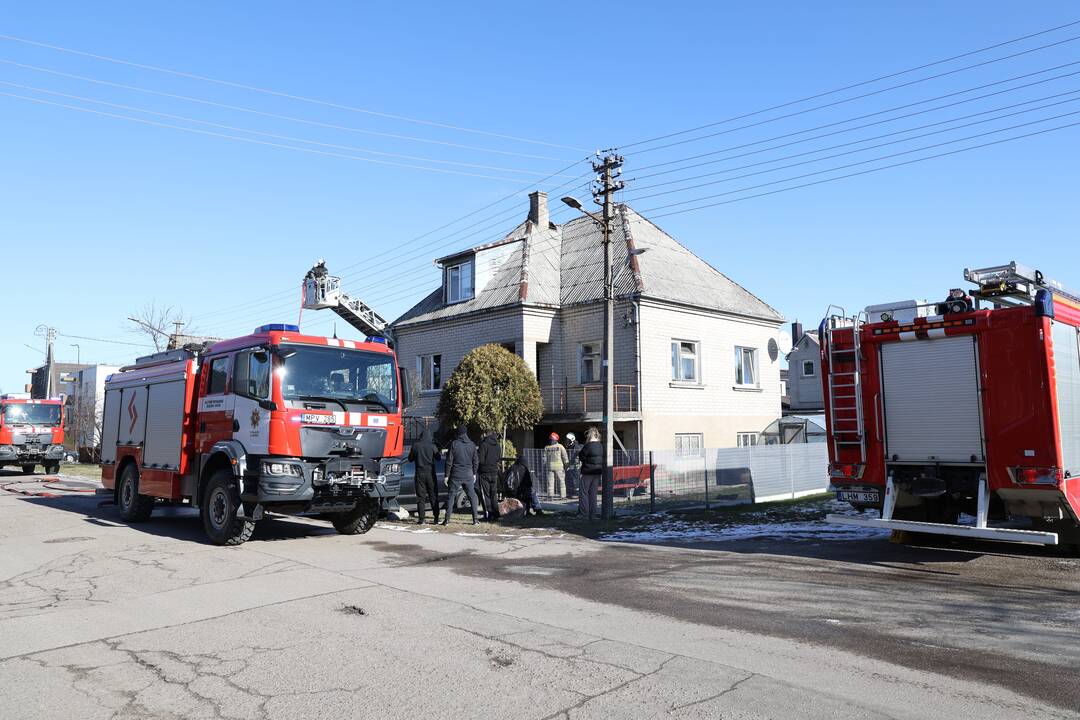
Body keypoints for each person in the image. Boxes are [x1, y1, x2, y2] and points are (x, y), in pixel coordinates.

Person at [442, 425, 479, 526]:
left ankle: (447, 520)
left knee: (451, 496)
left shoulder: (454, 444)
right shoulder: (472, 445)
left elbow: (449, 461)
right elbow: (476, 461)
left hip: (456, 474)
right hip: (468, 474)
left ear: (458, 433)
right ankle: (475, 519)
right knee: (472, 497)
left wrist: (446, 475)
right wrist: (474, 473)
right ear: (466, 433)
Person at [406, 427, 439, 524]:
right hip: (430, 473)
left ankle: (422, 519)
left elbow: (410, 459)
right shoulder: (432, 446)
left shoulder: (416, 446)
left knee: (421, 497)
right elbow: (438, 458)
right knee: (433, 495)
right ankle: (436, 518)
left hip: (419, 473)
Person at [577, 426, 603, 521]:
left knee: (584, 493)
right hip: (597, 472)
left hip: (587, 471)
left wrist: (586, 462)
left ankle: (584, 513)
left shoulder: (588, 446)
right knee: (593, 493)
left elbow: (581, 456)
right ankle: (593, 514)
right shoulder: (601, 446)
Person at [477, 430, 502, 521]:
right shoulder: (497, 445)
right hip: (494, 472)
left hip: (485, 472)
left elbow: (480, 460)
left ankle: (489, 514)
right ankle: (496, 513)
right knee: (493, 494)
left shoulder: (483, 444)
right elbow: (498, 458)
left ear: (486, 435)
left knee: (486, 494)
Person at [543, 433, 569, 498]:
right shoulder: (560, 446)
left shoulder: (547, 447)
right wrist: (566, 465)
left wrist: (545, 465)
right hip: (559, 467)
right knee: (561, 481)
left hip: (549, 467)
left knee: (550, 482)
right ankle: (563, 496)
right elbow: (565, 456)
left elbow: (544, 458)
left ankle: (550, 496)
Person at [564, 432, 581, 498]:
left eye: (568, 440)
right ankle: (571, 493)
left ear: (572, 439)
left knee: (576, 479)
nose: (566, 441)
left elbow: (576, 456)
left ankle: (577, 493)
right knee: (570, 479)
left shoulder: (576, 446)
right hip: (571, 465)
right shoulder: (570, 446)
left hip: (576, 465)